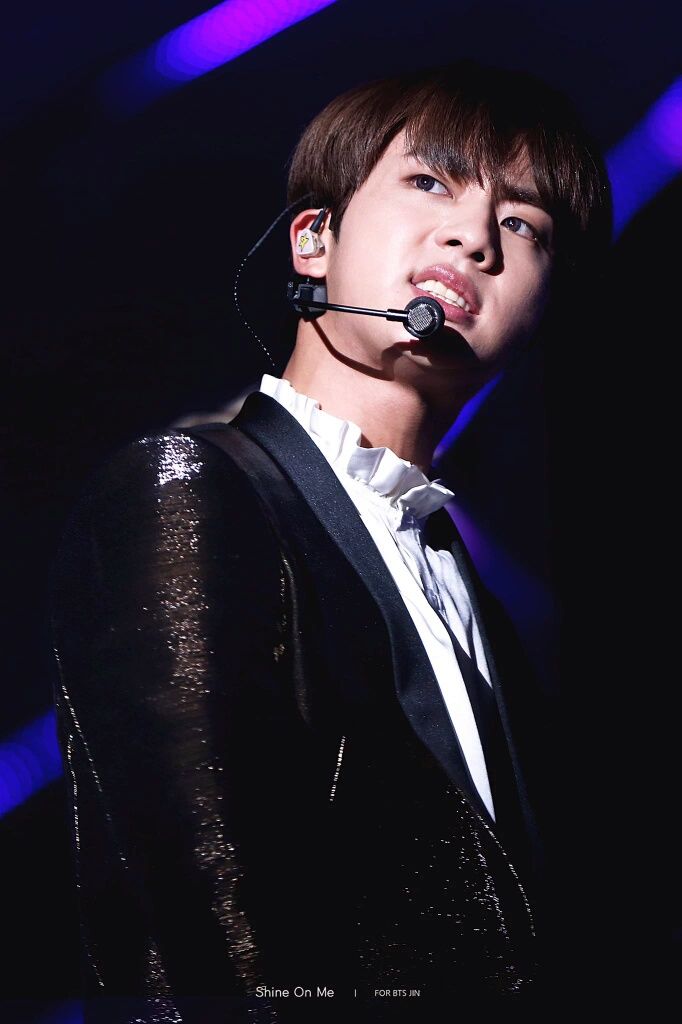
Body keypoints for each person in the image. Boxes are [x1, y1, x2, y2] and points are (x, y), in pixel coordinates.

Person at [50, 60, 611, 1022]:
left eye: (524, 225)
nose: (474, 236)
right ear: (314, 239)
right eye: (430, 181)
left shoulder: (476, 597)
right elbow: (200, 929)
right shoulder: (193, 486)